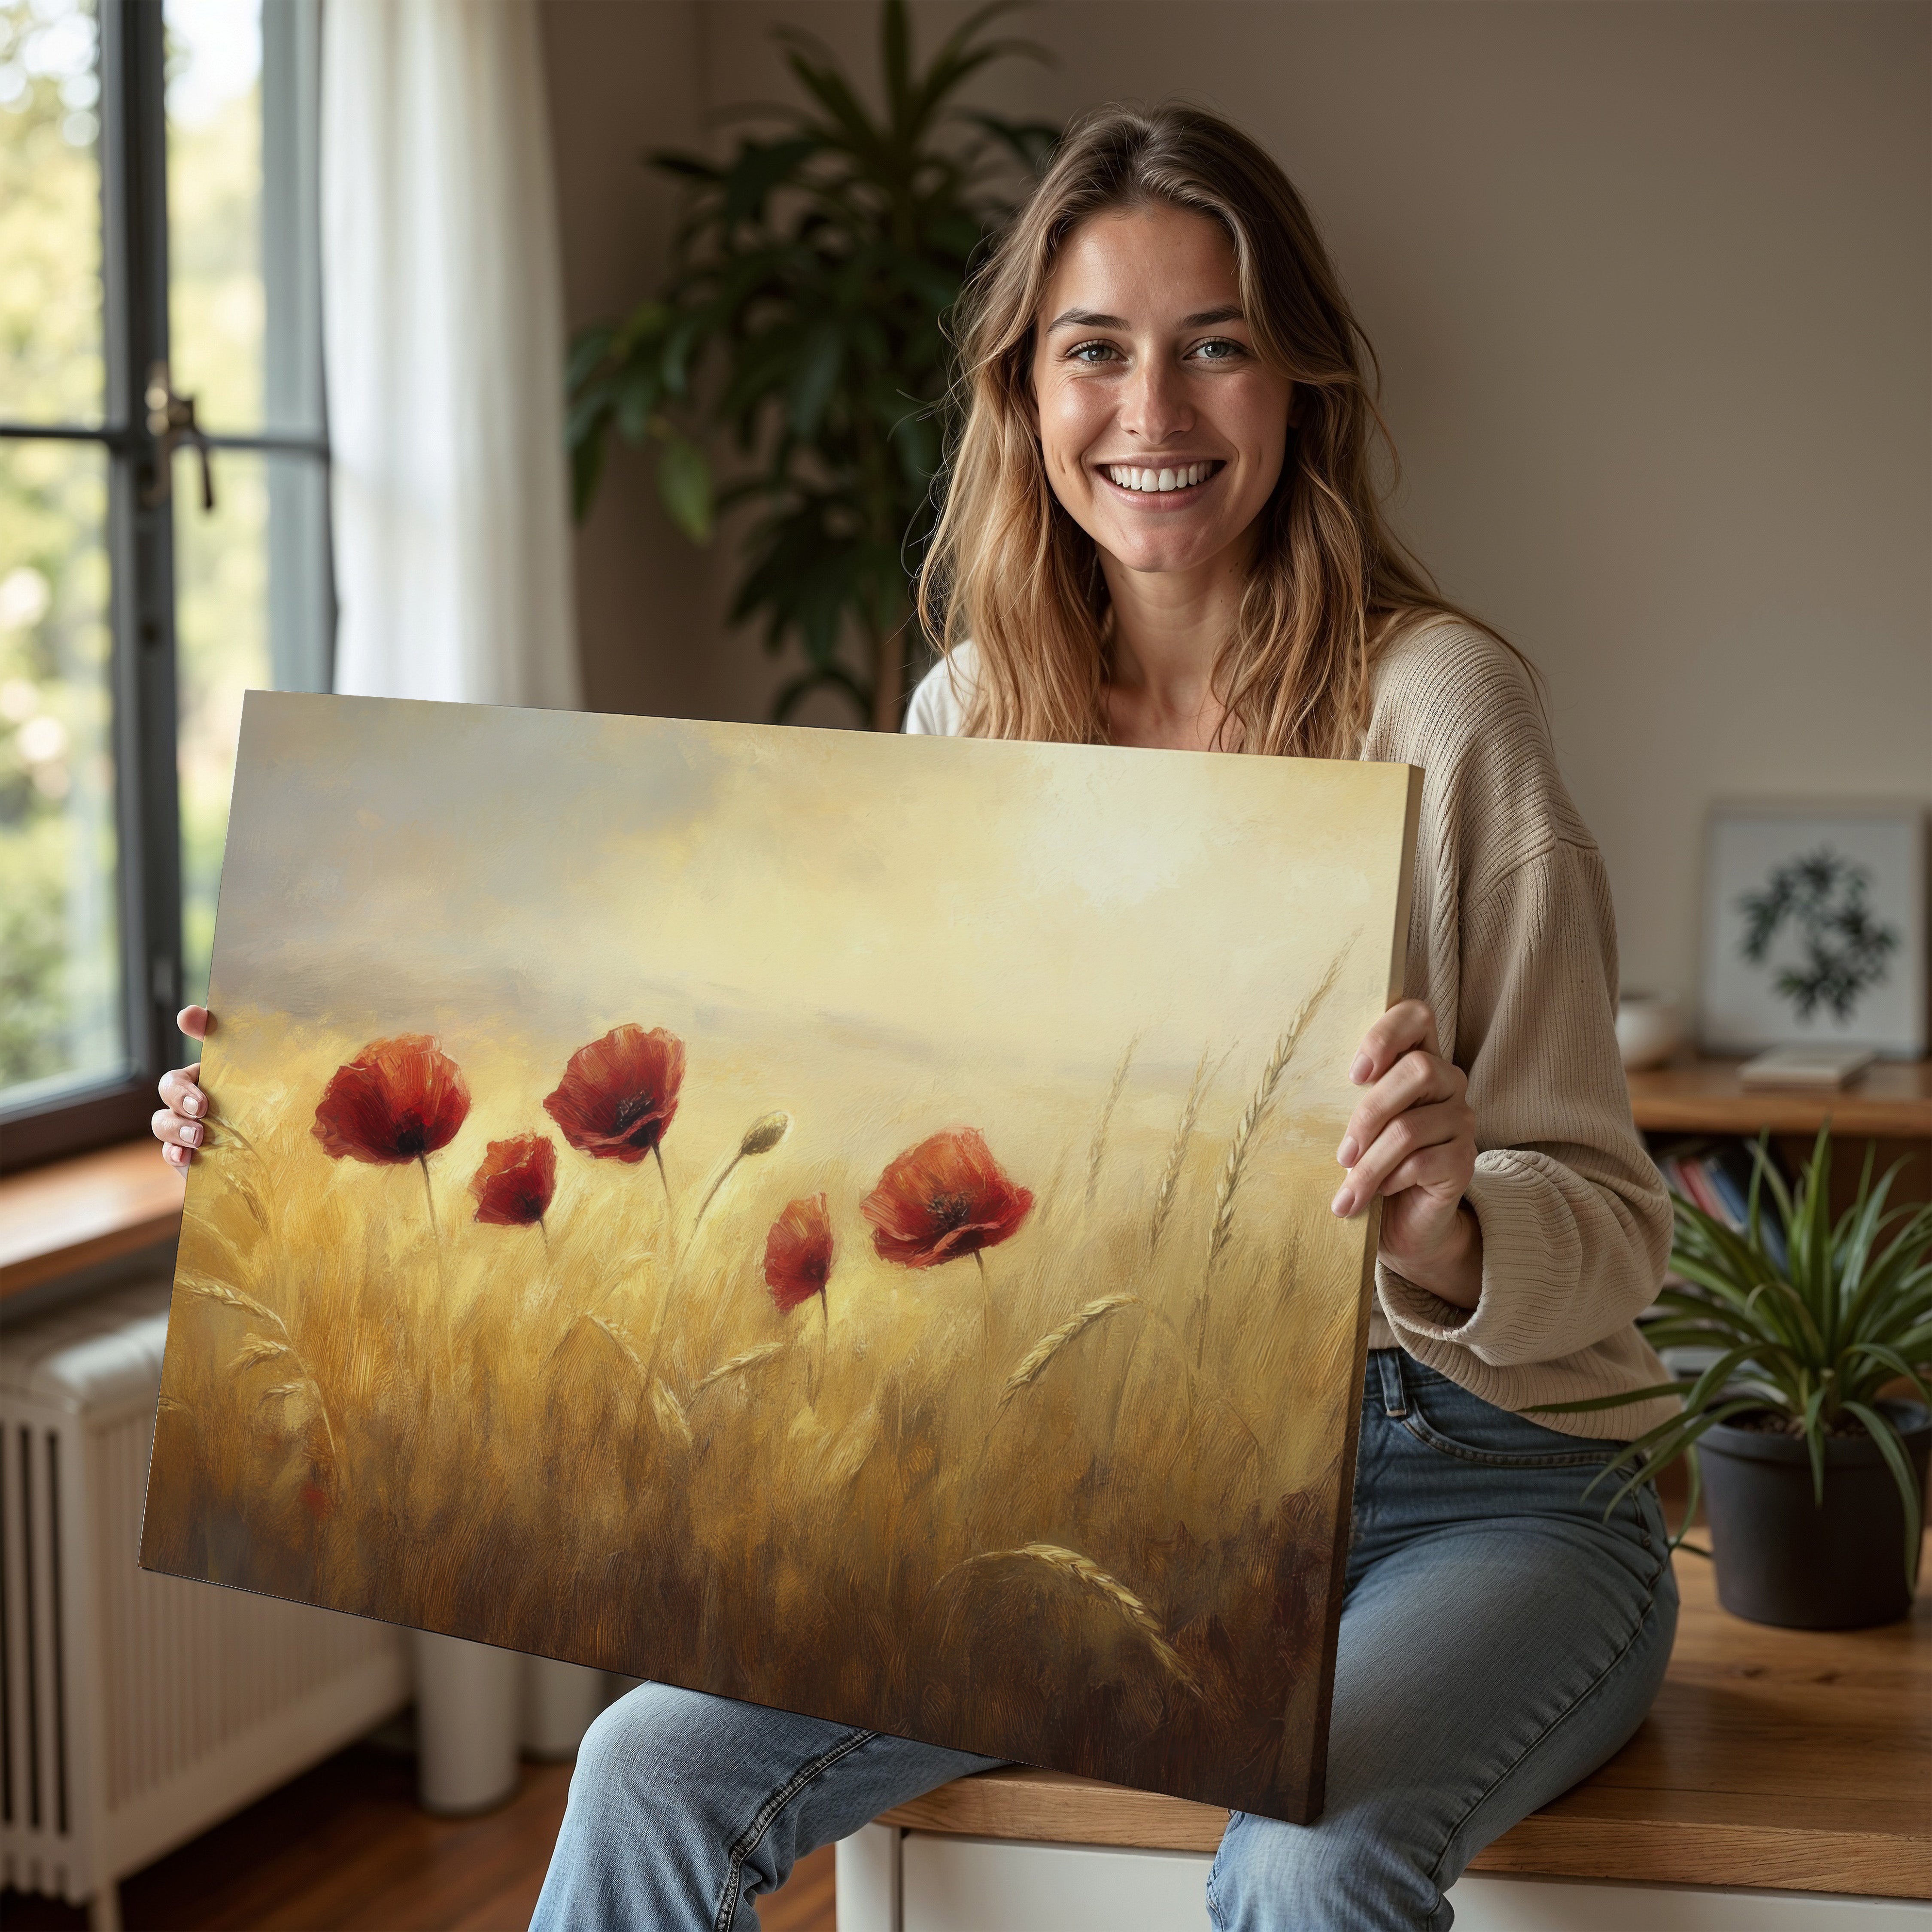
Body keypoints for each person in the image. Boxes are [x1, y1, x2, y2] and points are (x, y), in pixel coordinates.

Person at [154, 104, 1679, 1932]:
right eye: (1094, 352)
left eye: (1216, 347)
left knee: (1309, 1865)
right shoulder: (973, 714)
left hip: (1490, 1491)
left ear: (1301, 386)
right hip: (1125, 1504)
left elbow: (1620, 1233)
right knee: (643, 1763)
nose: (1155, 413)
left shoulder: (1444, 708)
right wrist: (283, 1133)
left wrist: (1450, 1224)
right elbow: (847, 1162)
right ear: (1025, 396)